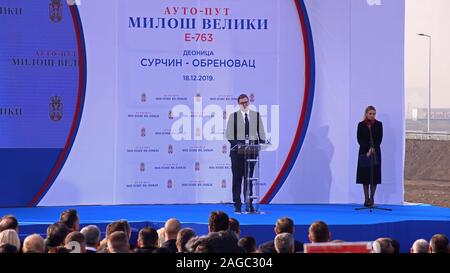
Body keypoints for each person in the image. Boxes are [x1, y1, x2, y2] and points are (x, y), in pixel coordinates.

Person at [226, 94, 266, 213]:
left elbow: (261, 134)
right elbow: (229, 135)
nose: (245, 104)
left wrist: (263, 141)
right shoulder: (233, 117)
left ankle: (249, 203)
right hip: (237, 154)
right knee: (237, 179)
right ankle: (237, 205)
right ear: (239, 104)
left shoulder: (256, 116)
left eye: (246, 102)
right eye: (242, 103)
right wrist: (238, 144)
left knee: (248, 180)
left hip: (251, 154)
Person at [356, 106, 383, 207]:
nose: (372, 115)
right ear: (366, 114)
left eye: (374, 114)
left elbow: (379, 139)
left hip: (375, 152)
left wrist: (372, 149)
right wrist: (367, 150)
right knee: (365, 177)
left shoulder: (379, 125)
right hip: (364, 152)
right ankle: (366, 199)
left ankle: (372, 199)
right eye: (370, 113)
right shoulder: (361, 125)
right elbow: (359, 139)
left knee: (374, 176)